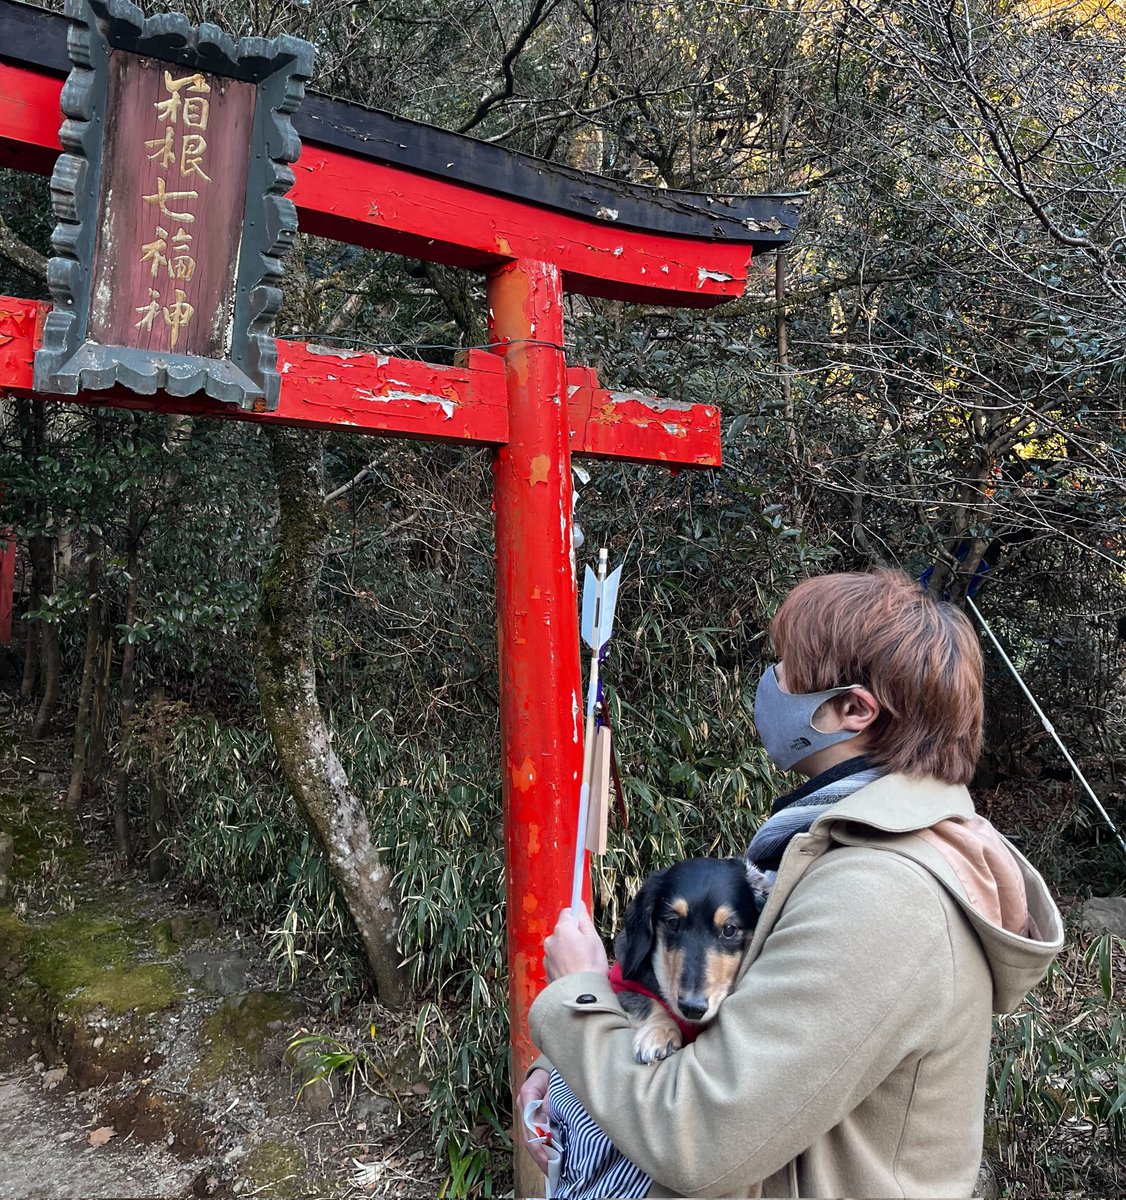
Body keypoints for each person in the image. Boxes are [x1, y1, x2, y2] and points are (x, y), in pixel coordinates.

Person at [519, 569, 1063, 1199]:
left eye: (785, 669)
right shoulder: (827, 846)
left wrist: (579, 999)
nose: (769, 685)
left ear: (852, 709)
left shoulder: (881, 896)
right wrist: (564, 1066)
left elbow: (696, 1134)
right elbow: (722, 1023)